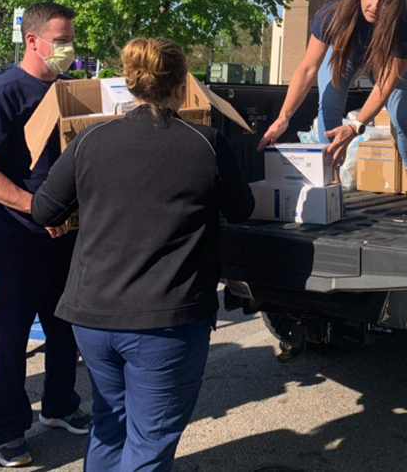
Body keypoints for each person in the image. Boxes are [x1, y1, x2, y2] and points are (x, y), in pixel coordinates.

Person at [31, 37, 255, 472]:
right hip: (166, 322)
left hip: (93, 316)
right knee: (149, 443)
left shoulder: (91, 139)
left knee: (110, 423)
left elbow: (44, 209)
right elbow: (241, 208)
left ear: (131, 84)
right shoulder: (205, 143)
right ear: (181, 86)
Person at [0, 2, 90, 467]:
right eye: (60, 40)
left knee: (65, 329)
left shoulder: (69, 92)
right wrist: (36, 209)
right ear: (32, 41)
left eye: (71, 39)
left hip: (68, 235)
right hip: (19, 238)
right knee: (13, 335)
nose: (68, 49)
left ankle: (60, 406)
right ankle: (9, 431)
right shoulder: (1, 95)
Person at [258, 0, 407, 206]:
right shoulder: (335, 9)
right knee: (329, 106)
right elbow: (308, 68)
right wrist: (283, 117)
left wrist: (355, 126)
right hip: (344, 53)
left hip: (384, 58)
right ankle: (332, 181)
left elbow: (384, 87)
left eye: (384, 1)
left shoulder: (405, 22)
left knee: (406, 117)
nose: (375, 6)